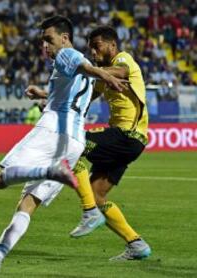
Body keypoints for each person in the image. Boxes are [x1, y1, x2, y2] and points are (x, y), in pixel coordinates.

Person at [0, 15, 127, 273]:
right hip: (74, 142)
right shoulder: (74, 68)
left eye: (48, 39)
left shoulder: (67, 53)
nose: (45, 46)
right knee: (27, 204)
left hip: (52, 131)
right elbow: (77, 79)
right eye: (43, 41)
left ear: (64, 38)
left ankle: (52, 172)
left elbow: (81, 63)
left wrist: (104, 75)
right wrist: (43, 93)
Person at [70, 26, 152, 261]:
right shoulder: (103, 77)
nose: (93, 52)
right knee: (97, 197)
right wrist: (49, 99)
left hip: (126, 135)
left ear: (112, 45)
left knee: (71, 146)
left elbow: (122, 71)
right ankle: (136, 244)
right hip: (126, 142)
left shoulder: (122, 59)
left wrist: (92, 70)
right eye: (90, 49)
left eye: (97, 46)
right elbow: (85, 98)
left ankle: (89, 213)